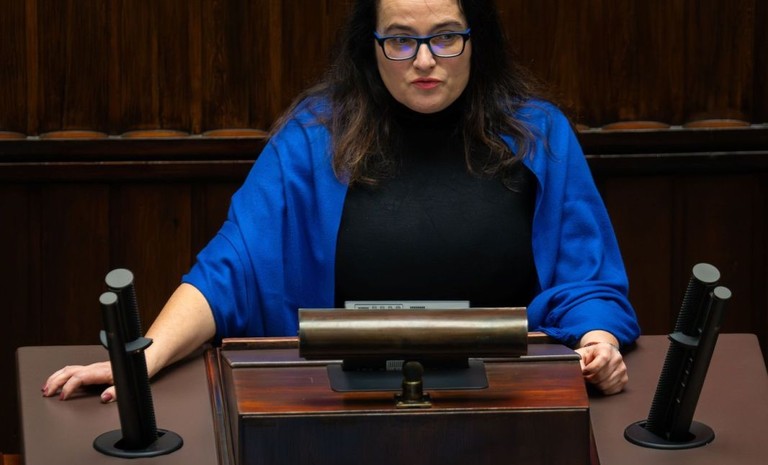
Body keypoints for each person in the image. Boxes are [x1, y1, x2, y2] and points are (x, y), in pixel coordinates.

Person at [43, 0, 639, 401]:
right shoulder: (312, 138)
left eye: (445, 37)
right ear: (371, 45)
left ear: (475, 40)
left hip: (510, 406)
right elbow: (230, 270)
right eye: (400, 40)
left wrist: (600, 342)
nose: (424, 60)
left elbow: (588, 282)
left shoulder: (539, 135)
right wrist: (143, 356)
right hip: (338, 408)